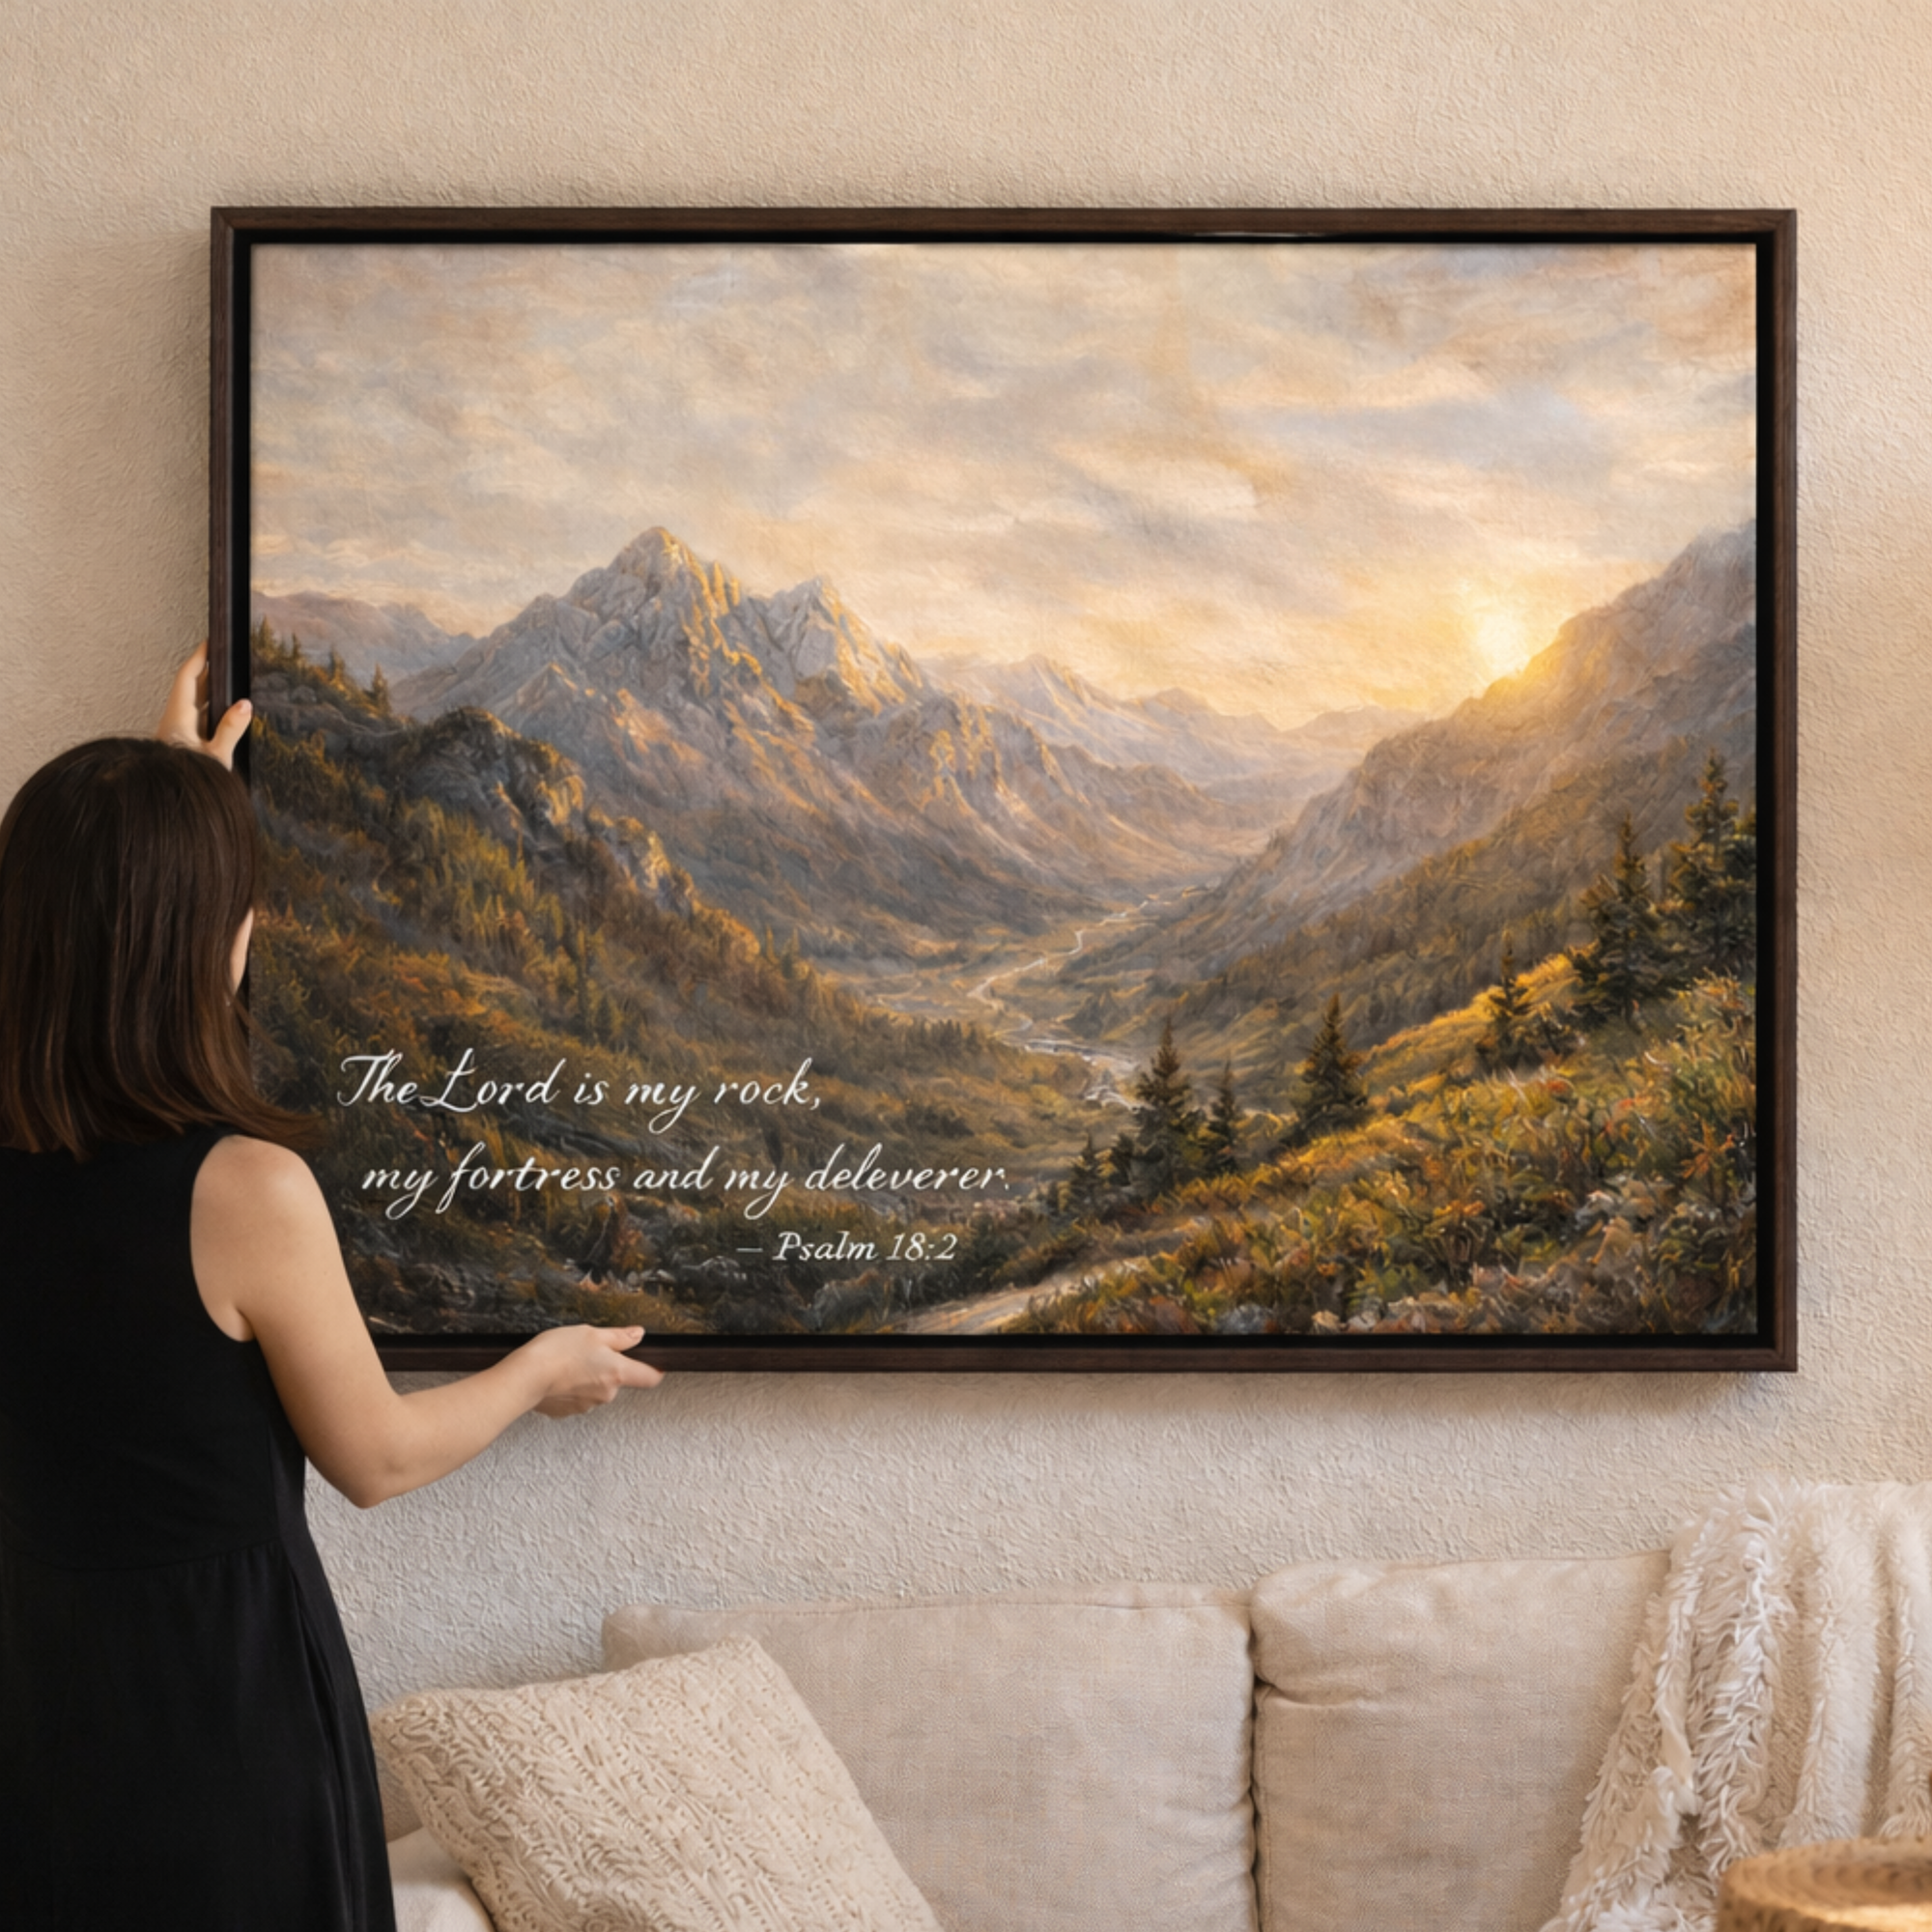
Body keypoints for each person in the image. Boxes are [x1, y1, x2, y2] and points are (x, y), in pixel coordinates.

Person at [0, 646, 663, 1929]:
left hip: (40, 1718)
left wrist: (166, 815)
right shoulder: (242, 1192)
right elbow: (377, 1456)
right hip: (223, 1724)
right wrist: (540, 1367)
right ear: (205, 941)